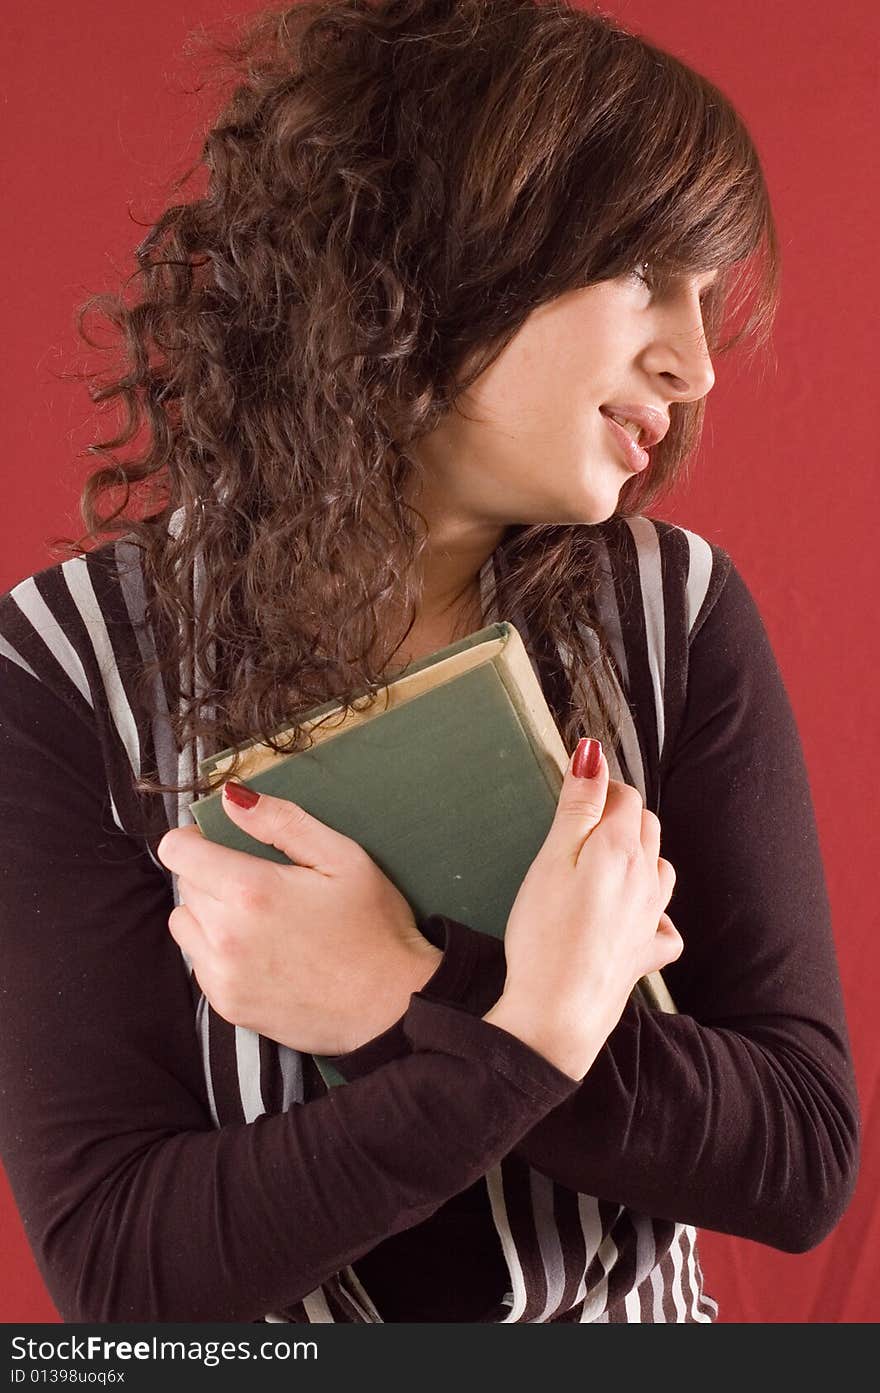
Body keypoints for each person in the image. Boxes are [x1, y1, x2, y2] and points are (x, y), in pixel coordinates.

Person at [0, 0, 858, 1324]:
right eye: (645, 271)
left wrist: (409, 990)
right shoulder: (67, 666)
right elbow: (122, 1272)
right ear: (442, 250)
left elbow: (800, 1156)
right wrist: (522, 1037)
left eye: (705, 298)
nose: (691, 364)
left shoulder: (674, 614)